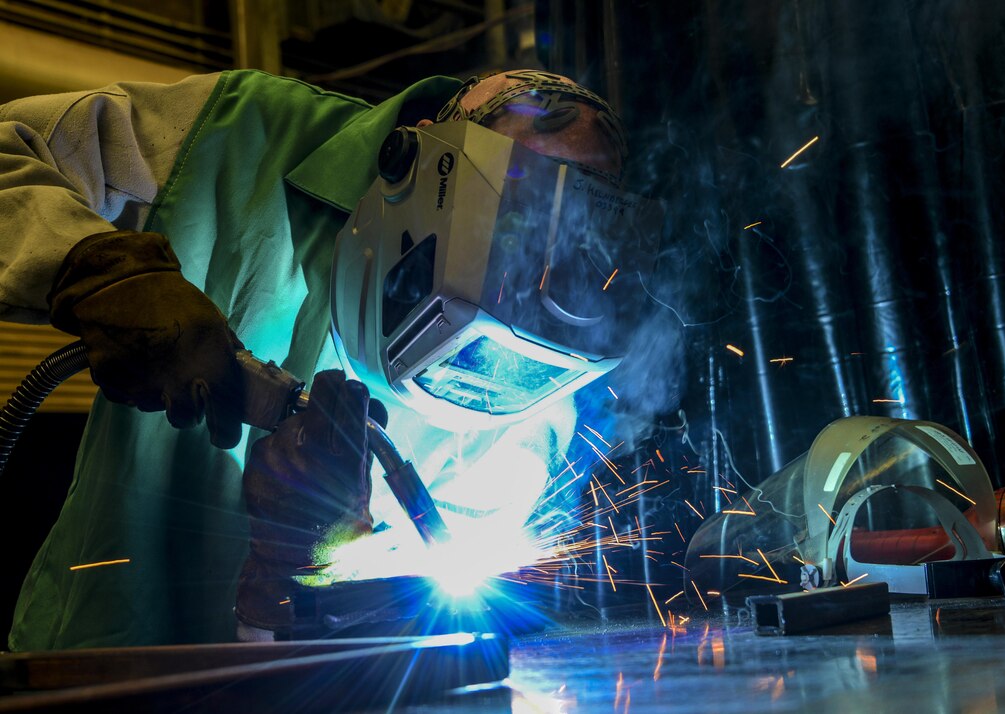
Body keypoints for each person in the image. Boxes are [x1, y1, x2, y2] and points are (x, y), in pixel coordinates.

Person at [0, 67, 631, 649]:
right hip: (95, 660)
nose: (515, 283)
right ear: (419, 157)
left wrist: (304, 568)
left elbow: (404, 639)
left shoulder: (532, 400)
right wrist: (99, 272)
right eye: (510, 217)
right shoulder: (234, 135)